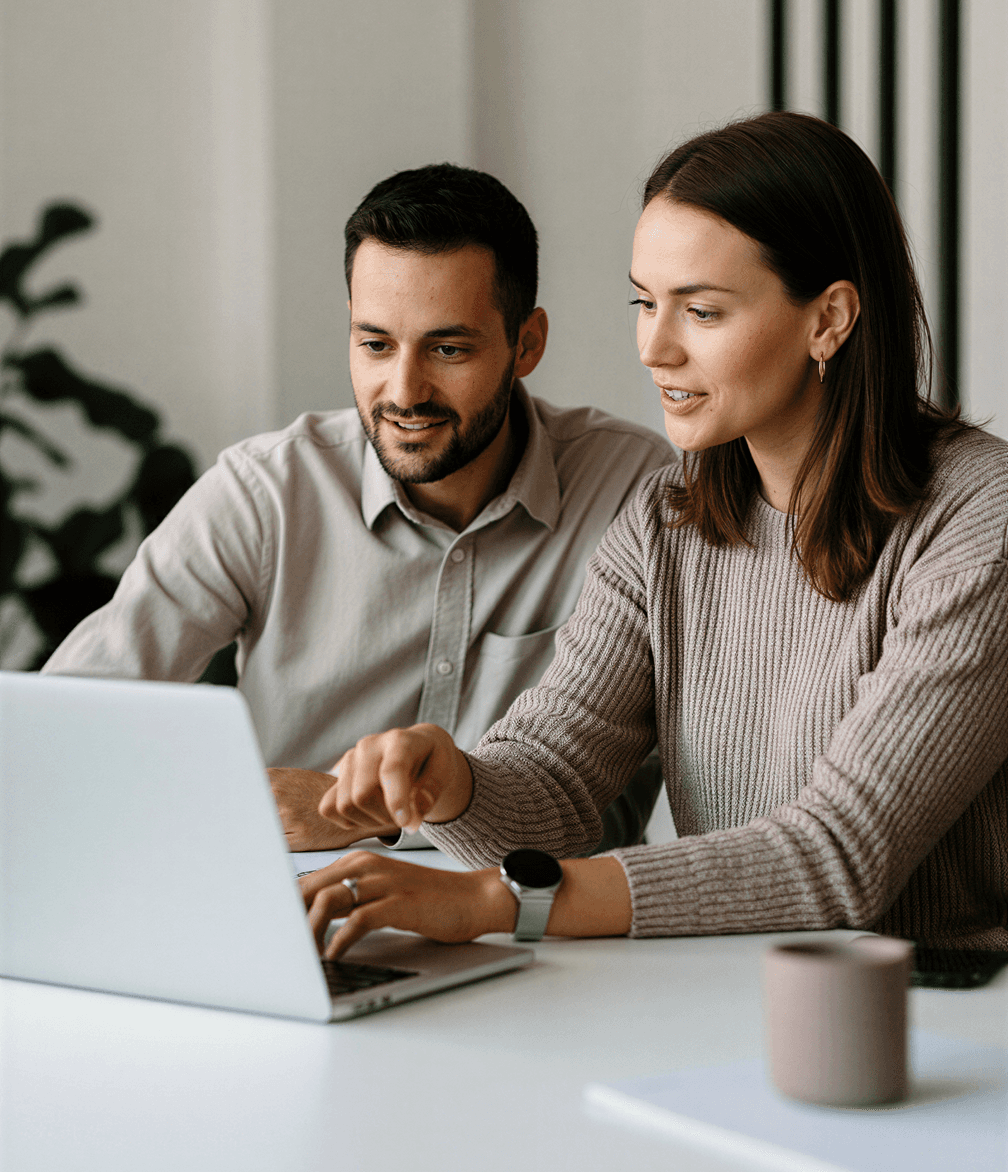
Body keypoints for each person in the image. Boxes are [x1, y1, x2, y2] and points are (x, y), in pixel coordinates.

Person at [297, 113, 1007, 961]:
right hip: (721, 996)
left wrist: (491, 901)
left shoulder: (979, 520)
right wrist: (456, 784)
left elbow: (839, 857)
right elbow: (557, 784)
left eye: (701, 312)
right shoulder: (667, 518)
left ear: (830, 320)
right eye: (644, 302)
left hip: (941, 1024)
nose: (653, 348)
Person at [41, 164, 672, 852]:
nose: (404, 391)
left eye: (448, 348)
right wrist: (218, 806)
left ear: (527, 344)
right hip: (299, 913)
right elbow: (65, 732)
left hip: (548, 919)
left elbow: (600, 794)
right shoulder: (266, 494)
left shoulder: (635, 493)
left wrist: (377, 813)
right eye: (375, 344)